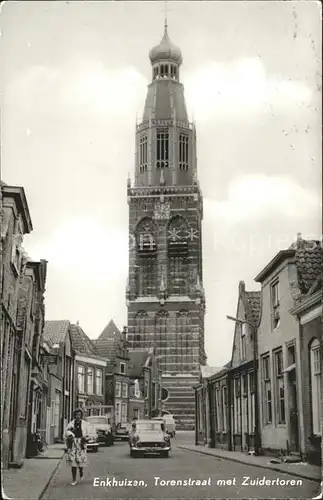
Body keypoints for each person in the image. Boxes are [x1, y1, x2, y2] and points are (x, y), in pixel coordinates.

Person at [65, 408, 90, 486]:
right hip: (73, 444)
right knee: (73, 462)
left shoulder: (85, 424)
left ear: (81, 415)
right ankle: (74, 479)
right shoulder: (71, 424)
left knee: (80, 461)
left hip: (81, 444)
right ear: (74, 416)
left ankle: (81, 471)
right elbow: (66, 433)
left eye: (79, 415)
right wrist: (69, 437)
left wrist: (85, 438)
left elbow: (89, 434)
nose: (78, 416)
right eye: (76, 415)